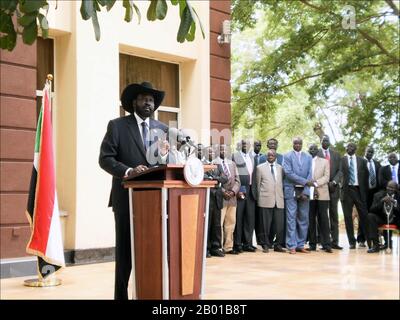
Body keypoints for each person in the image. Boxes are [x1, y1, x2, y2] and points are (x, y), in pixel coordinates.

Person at [99, 82, 169, 299]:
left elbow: (166, 164)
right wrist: (129, 171)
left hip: (155, 200)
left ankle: (151, 293)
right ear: (133, 103)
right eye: (143, 99)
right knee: (125, 254)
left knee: (152, 251)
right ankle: (121, 297)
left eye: (151, 100)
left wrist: (166, 156)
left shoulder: (163, 130)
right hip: (125, 198)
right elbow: (105, 159)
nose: (148, 103)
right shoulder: (117, 126)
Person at [283, 137, 313, 254]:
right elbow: (289, 173)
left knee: (303, 218)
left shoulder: (308, 157)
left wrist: (305, 190)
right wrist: (305, 182)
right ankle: (291, 245)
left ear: (302, 144)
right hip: (291, 190)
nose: (297, 145)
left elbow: (310, 174)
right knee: (291, 218)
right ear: (292, 144)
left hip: (304, 192)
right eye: (295, 143)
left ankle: (301, 244)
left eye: (299, 143)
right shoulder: (287, 156)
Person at [339, 142, 369, 249]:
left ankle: (366, 239)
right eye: (347, 146)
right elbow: (339, 174)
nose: (349, 148)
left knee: (364, 215)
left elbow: (366, 178)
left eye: (351, 146)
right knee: (348, 217)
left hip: (358, 190)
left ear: (355, 149)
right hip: (346, 191)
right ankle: (351, 242)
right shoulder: (341, 160)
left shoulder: (362, 161)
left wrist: (365, 192)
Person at [256, 149, 285, 253]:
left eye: (273, 155)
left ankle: (277, 245)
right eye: (269, 155)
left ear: (276, 156)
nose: (271, 156)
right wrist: (259, 199)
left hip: (279, 200)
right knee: (265, 224)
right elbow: (258, 185)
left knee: (279, 225)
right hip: (265, 200)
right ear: (266, 156)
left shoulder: (280, 168)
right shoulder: (260, 168)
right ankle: (265, 244)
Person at [214, 144, 241, 254]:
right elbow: (214, 180)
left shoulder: (232, 164)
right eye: (221, 149)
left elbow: (238, 180)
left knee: (231, 223)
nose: (223, 151)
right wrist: (224, 192)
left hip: (232, 198)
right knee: (219, 223)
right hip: (221, 197)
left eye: (225, 149)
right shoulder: (214, 163)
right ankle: (219, 247)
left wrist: (233, 192)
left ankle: (228, 247)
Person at [317, 135, 343, 250]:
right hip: (321, 188)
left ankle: (335, 241)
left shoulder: (336, 155)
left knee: (333, 215)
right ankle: (323, 241)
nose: (325, 142)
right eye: (323, 140)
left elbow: (340, 171)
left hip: (333, 189)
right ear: (320, 142)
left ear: (330, 142)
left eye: (327, 140)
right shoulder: (316, 153)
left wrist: (334, 182)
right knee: (322, 215)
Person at [232, 140, 257, 252]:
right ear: (240, 146)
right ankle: (237, 244)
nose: (246, 146)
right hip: (240, 190)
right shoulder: (235, 156)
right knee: (239, 217)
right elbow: (234, 175)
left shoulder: (252, 157)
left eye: (248, 144)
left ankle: (248, 243)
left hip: (251, 191)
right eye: (243, 144)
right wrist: (237, 190)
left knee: (249, 219)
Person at [308, 144, 332, 253]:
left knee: (324, 220)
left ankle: (326, 244)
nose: (312, 150)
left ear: (317, 151)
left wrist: (316, 183)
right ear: (308, 151)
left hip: (322, 193)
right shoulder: (305, 161)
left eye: (314, 149)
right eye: (310, 149)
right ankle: (312, 244)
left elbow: (327, 177)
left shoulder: (325, 161)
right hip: (309, 194)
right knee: (311, 219)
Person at [205, 145, 227, 257]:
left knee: (217, 224)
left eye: (213, 152)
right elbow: (204, 178)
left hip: (217, 197)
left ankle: (216, 247)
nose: (212, 154)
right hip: (208, 197)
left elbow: (225, 178)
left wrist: (214, 179)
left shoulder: (218, 165)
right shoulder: (202, 164)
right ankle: (206, 249)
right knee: (207, 224)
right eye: (210, 152)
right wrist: (217, 181)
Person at [366, 181, 399, 253]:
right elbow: (372, 209)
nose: (389, 189)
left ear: (396, 190)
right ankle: (375, 245)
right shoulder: (378, 195)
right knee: (370, 216)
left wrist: (395, 203)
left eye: (392, 188)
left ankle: (388, 243)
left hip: (395, 219)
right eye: (388, 187)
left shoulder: (398, 196)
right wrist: (381, 201)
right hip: (382, 218)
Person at [358, 146, 381, 246]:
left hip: (374, 193)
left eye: (372, 152)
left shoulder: (377, 164)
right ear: (365, 151)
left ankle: (374, 238)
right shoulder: (360, 162)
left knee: (373, 216)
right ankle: (361, 239)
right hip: (363, 192)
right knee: (363, 215)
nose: (370, 154)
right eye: (368, 152)